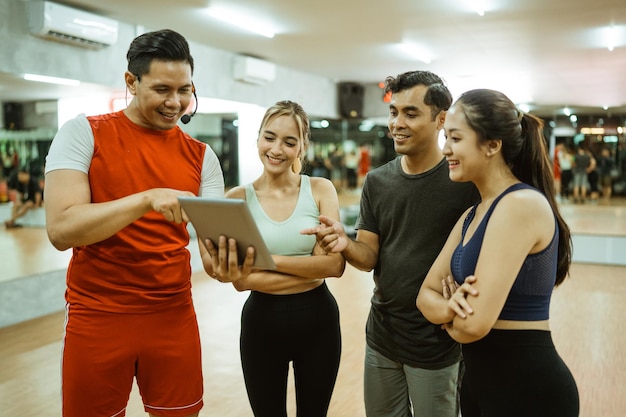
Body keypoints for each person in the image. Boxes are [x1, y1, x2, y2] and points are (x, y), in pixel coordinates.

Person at [44, 29, 224, 417]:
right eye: (162, 89)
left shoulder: (203, 156)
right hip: (98, 315)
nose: (175, 103)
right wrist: (146, 199)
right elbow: (61, 229)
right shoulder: (83, 133)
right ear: (131, 81)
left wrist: (240, 259)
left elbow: (215, 254)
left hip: (173, 314)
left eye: (185, 90)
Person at [303, 70, 479, 417]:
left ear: (441, 119)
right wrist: (345, 242)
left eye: (410, 113)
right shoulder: (379, 181)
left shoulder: (463, 182)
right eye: (394, 112)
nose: (397, 123)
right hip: (383, 336)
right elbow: (369, 256)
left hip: (437, 342)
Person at [416, 88, 579, 417]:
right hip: (479, 385)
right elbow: (423, 296)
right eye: (445, 137)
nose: (445, 149)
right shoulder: (471, 215)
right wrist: (453, 306)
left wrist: (446, 318)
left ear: (492, 145)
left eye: (456, 138)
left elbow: (473, 327)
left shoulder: (520, 205)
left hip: (527, 390)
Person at [200, 100, 345, 417]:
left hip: (318, 321)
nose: (277, 149)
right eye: (269, 137)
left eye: (289, 141)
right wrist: (308, 267)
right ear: (257, 140)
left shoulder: (320, 190)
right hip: (261, 323)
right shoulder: (237, 199)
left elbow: (333, 265)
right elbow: (240, 280)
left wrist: (267, 260)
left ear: (302, 147)